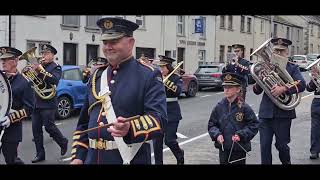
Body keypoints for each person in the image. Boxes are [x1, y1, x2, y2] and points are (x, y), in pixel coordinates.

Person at [70, 17, 167, 164]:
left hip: (129, 158)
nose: (108, 47)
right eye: (105, 42)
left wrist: (130, 128)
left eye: (114, 41)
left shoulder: (148, 75)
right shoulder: (97, 76)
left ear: (131, 43)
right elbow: (84, 122)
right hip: (92, 159)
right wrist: (78, 156)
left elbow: (159, 119)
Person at [253, 37, 306, 164]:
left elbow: (302, 84)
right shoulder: (266, 67)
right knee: (264, 147)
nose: (278, 53)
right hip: (265, 113)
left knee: (281, 146)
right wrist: (259, 79)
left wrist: (283, 89)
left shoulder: (292, 68)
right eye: (276, 50)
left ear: (287, 53)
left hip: (283, 114)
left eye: (281, 51)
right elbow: (256, 91)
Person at [208, 72, 259, 164]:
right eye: (225, 87)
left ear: (238, 89)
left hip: (239, 148)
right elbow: (212, 125)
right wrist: (217, 135)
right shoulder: (219, 106)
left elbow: (254, 125)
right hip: (223, 147)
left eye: (230, 87)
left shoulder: (244, 107)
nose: (226, 90)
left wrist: (241, 135)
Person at [31, 44, 68, 163]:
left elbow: (54, 80)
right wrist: (32, 72)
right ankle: (40, 154)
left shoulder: (56, 67)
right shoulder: (40, 66)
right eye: (43, 53)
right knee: (36, 130)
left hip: (48, 102)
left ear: (52, 55)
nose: (44, 56)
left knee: (49, 126)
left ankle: (63, 142)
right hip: (37, 101)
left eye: (46, 54)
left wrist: (39, 70)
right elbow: (34, 82)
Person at [0, 46, 35, 164]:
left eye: (6, 59)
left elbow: (29, 108)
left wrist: (11, 118)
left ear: (15, 61)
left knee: (11, 160)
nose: (3, 62)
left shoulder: (24, 82)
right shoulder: (1, 79)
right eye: (2, 59)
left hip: (11, 130)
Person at [152, 55, 184, 165]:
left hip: (172, 112)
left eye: (163, 67)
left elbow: (178, 91)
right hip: (159, 112)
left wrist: (167, 82)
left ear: (168, 67)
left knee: (169, 140)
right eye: (160, 67)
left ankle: (180, 155)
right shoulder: (157, 77)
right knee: (157, 142)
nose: (161, 70)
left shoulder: (176, 77)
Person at [306, 55, 320, 159]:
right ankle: (314, 150)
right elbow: (309, 89)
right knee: (315, 128)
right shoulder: (317, 74)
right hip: (317, 101)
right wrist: (314, 78)